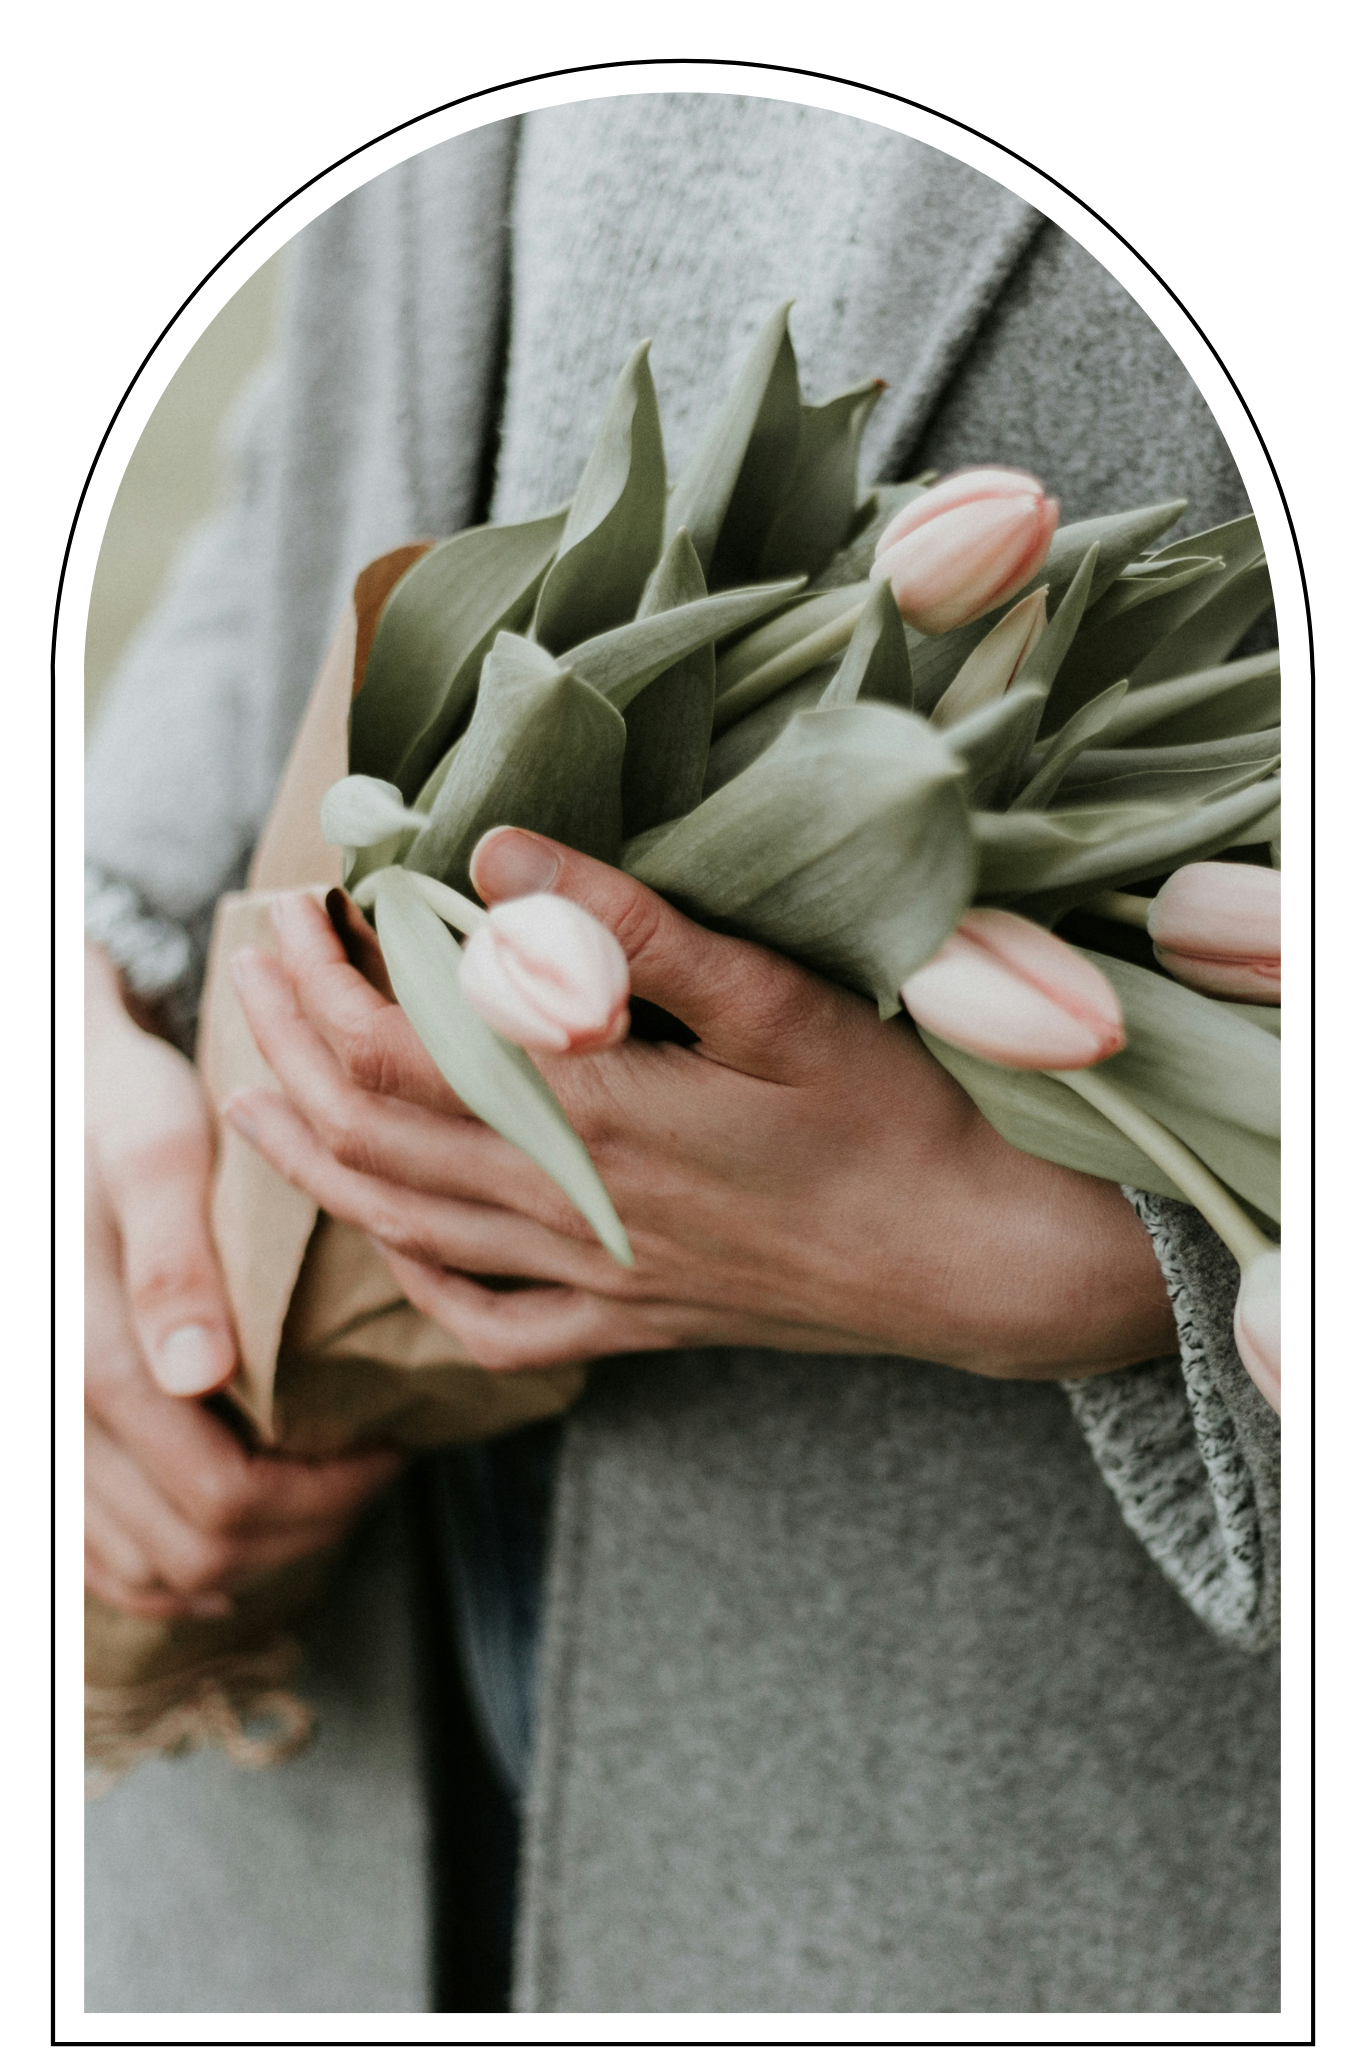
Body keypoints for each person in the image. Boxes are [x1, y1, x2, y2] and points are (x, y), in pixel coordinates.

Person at [85, 96, 1280, 2019]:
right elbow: (315, 435)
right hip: (336, 1783)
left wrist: (1103, 1272)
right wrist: (113, 957)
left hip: (1022, 1809)